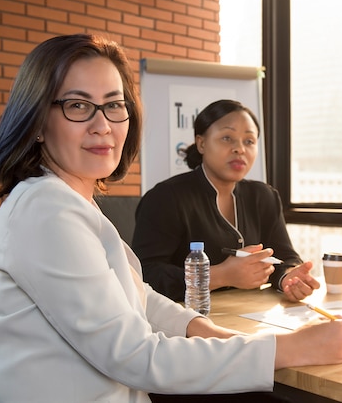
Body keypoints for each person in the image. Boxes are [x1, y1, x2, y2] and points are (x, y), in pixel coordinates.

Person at [0, 34, 342, 403]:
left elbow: (136, 297)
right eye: (77, 105)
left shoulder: (69, 200)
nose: (103, 125)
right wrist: (293, 347)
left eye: (114, 104)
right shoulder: (47, 211)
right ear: (37, 120)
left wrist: (201, 327)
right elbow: (136, 356)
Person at [132, 99, 320, 303]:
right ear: (201, 143)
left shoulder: (264, 196)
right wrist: (219, 275)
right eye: (227, 138)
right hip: (183, 320)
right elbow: (144, 273)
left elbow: (284, 257)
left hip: (249, 316)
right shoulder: (165, 198)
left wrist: (289, 277)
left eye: (249, 141)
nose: (239, 148)